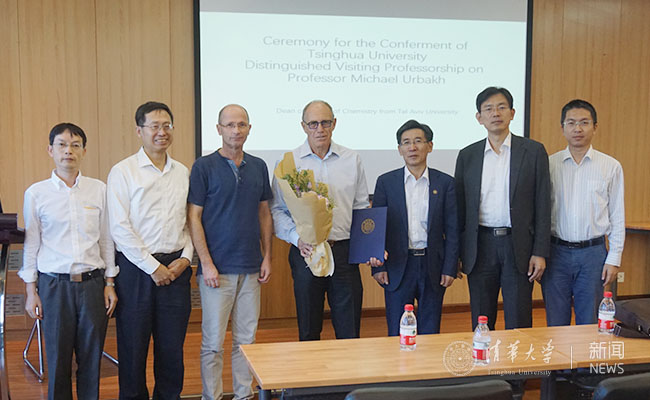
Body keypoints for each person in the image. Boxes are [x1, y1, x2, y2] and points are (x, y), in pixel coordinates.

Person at [19, 122, 118, 400]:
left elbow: (106, 239)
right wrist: (31, 291)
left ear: (84, 151)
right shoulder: (36, 193)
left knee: (91, 359)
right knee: (58, 361)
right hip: (54, 287)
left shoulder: (99, 189)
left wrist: (110, 283)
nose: (68, 151)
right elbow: (32, 244)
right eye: (62, 145)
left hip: (93, 285)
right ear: (50, 150)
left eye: (75, 145)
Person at [107, 101, 194, 399]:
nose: (161, 132)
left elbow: (189, 222)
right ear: (139, 131)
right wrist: (152, 267)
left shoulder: (182, 172)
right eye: (154, 126)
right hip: (135, 271)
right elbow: (119, 227)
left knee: (172, 350)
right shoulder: (123, 171)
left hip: (176, 270)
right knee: (133, 349)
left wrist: (186, 258)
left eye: (167, 126)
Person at [187, 104, 273, 400]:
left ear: (249, 128)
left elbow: (264, 213)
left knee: (246, 341)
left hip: (251, 267)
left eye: (241, 124)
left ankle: (243, 395)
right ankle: (211, 397)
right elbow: (194, 217)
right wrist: (206, 263)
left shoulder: (259, 166)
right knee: (213, 343)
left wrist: (267, 256)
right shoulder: (203, 167)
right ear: (219, 129)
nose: (236, 130)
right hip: (217, 271)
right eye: (230, 125)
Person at [271, 100, 370, 341]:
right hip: (305, 252)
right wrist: (297, 239)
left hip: (344, 253)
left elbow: (361, 207)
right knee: (309, 329)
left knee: (349, 330)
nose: (320, 129)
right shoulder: (288, 163)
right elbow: (277, 210)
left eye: (325, 122)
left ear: (334, 124)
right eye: (313, 124)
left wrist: (368, 248)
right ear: (303, 126)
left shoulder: (352, 159)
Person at [455, 87, 551, 331]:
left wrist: (540, 251)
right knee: (481, 319)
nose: (495, 113)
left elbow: (543, 204)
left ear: (512, 113)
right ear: (479, 117)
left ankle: (517, 358)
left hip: (517, 246)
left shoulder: (533, 152)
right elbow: (460, 208)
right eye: (488, 109)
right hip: (480, 246)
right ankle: (484, 356)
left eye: (501, 107)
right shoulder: (468, 155)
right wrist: (458, 252)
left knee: (519, 319)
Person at [369, 120, 459, 335]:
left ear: (430, 146)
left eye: (418, 141)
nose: (412, 147)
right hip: (398, 265)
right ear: (399, 149)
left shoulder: (445, 183)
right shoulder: (386, 182)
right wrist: (378, 267)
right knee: (397, 330)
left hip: (432, 265)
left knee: (430, 330)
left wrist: (450, 267)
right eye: (406, 142)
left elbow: (453, 228)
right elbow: (377, 227)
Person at [542, 99, 625, 326]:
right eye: (571, 123)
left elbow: (617, 216)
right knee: (555, 323)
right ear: (562, 128)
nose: (577, 128)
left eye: (584, 122)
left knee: (589, 323)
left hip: (593, 254)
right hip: (555, 253)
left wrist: (614, 258)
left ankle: (586, 354)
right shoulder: (549, 165)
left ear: (595, 127)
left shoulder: (610, 166)